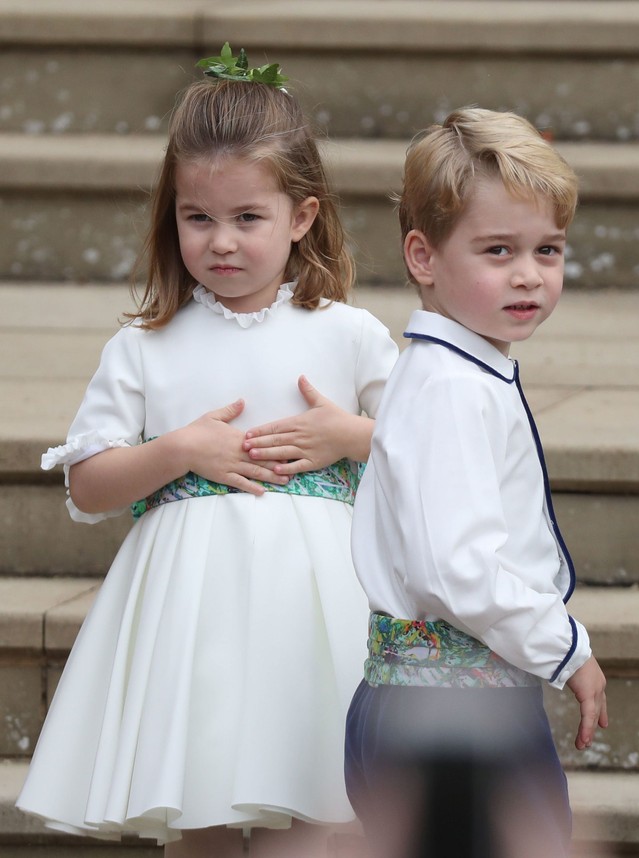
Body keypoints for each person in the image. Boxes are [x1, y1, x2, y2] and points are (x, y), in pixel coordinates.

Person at [17, 45, 398, 858]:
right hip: (191, 615)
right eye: (198, 218)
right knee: (201, 802)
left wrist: (351, 437)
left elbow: (430, 454)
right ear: (173, 216)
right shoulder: (145, 347)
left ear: (301, 216)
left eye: (247, 218)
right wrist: (179, 449)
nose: (221, 242)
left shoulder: (349, 334)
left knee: (319, 798)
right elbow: (89, 486)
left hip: (318, 610)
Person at [344, 108, 608, 858]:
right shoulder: (454, 388)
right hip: (452, 715)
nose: (528, 274)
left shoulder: (452, 372)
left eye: (547, 249)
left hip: (438, 702)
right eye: (498, 250)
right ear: (423, 257)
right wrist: (565, 647)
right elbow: (457, 566)